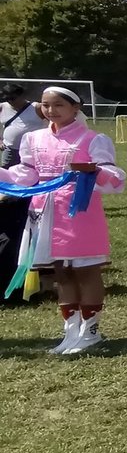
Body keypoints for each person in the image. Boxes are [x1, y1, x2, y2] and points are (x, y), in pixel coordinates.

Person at [0, 86, 126, 352]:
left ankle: (90, 332)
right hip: (44, 212)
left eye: (58, 105)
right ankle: (71, 332)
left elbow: (111, 175)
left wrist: (93, 172)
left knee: (86, 271)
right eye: (46, 105)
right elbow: (27, 174)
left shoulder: (92, 139)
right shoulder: (33, 138)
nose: (51, 110)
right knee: (61, 273)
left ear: (75, 108)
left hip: (79, 212)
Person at [1, 84, 49, 304]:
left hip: (36, 161)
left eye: (13, 97)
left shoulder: (37, 109)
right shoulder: (3, 108)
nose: (10, 101)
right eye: (7, 97)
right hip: (11, 154)